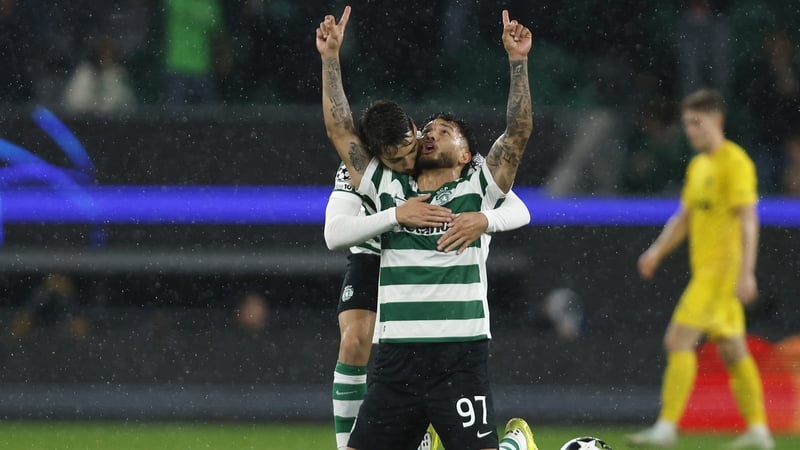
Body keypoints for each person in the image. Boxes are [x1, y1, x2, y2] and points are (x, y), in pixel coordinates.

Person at [318, 6, 537, 450]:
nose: (432, 135)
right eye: (430, 129)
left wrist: (518, 62)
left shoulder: (479, 184)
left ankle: (514, 444)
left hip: (459, 358)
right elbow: (340, 130)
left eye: (445, 130)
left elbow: (518, 132)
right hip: (397, 361)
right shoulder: (388, 186)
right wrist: (330, 59)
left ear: (466, 153)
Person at [627, 89, 774, 449]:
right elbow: (685, 218)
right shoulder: (699, 166)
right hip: (709, 273)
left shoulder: (735, 163)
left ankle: (666, 428)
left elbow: (748, 220)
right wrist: (656, 251)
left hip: (720, 275)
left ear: (717, 121)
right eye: (687, 123)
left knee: (677, 340)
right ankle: (759, 431)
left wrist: (747, 272)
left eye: (697, 123)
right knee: (733, 350)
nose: (691, 130)